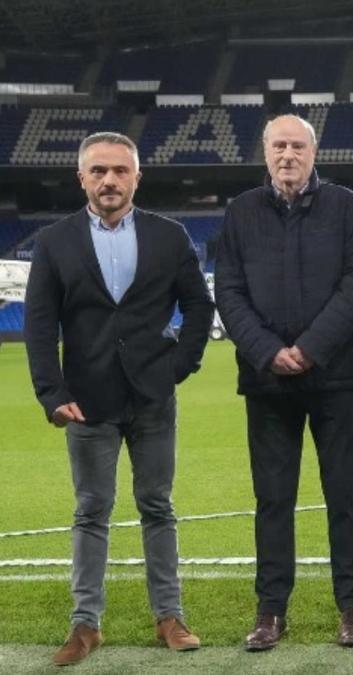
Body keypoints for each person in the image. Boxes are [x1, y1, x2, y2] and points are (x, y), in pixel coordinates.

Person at [24, 132, 213, 666]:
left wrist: (179, 365)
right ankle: (85, 625)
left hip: (152, 397)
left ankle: (169, 617)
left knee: (158, 506)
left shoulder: (170, 236)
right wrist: (51, 393)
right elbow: (40, 326)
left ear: (136, 177)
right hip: (86, 400)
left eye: (120, 171)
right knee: (91, 510)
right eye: (99, 171)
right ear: (81, 178)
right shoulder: (54, 241)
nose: (110, 180)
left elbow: (199, 308)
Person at [214, 114, 353, 651]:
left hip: (336, 378)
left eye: (297, 146)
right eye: (279, 145)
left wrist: (309, 349)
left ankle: (352, 609)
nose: (288, 154)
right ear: (265, 153)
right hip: (267, 383)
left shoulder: (346, 206)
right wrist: (267, 352)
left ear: (313, 152)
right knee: (273, 500)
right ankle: (270, 612)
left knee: (345, 496)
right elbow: (229, 292)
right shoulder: (240, 213)